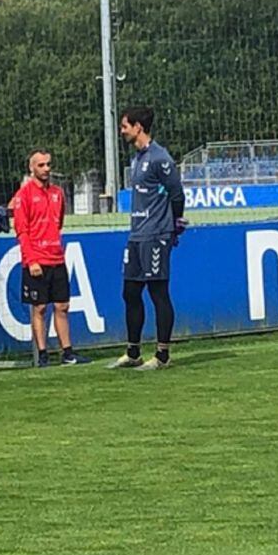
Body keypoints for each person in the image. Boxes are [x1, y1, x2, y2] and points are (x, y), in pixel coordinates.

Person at [109, 106, 185, 371]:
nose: (122, 131)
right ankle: (133, 352)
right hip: (137, 234)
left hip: (156, 235)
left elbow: (177, 194)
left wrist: (174, 225)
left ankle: (163, 355)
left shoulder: (159, 157)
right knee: (130, 291)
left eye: (124, 126)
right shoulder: (138, 158)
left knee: (158, 292)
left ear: (138, 127)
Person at [12, 149, 90, 367]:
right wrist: (31, 259)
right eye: (41, 165)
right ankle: (43, 354)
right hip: (36, 260)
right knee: (40, 308)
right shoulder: (24, 195)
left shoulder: (57, 193)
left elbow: (59, 223)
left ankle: (67, 352)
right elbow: (22, 230)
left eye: (48, 164)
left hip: (57, 258)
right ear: (32, 168)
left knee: (62, 306)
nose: (46, 169)